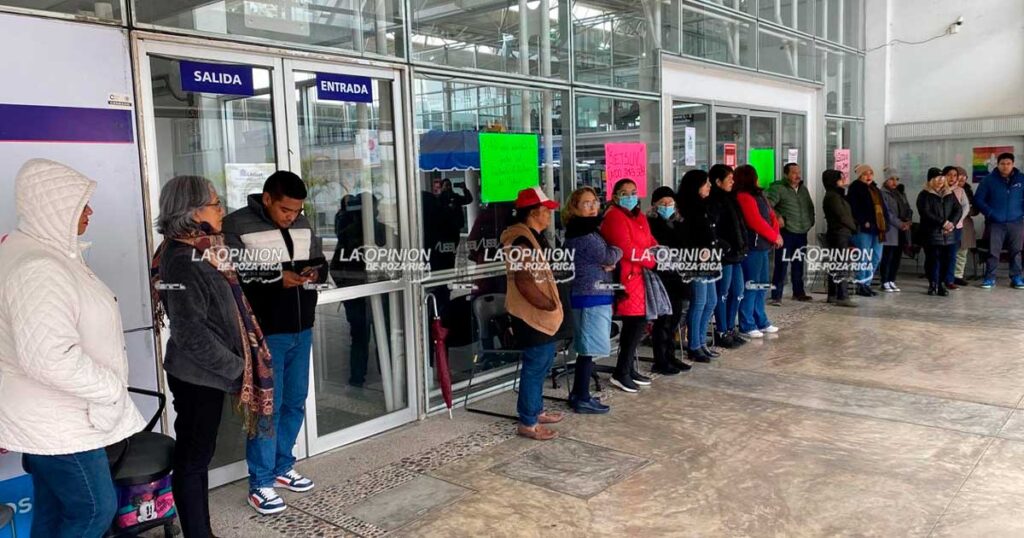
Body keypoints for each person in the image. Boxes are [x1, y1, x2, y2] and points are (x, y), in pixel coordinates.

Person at [0, 159, 145, 537]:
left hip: (49, 416)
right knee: (94, 509)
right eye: (82, 204)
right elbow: (49, 357)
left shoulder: (39, 254)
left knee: (53, 506)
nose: (91, 212)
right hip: (58, 419)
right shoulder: (39, 267)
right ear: (54, 208)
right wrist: (112, 388)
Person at [155, 175, 270, 537]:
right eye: (215, 204)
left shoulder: (205, 248)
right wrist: (239, 370)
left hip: (208, 373)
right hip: (197, 376)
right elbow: (191, 334)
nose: (222, 211)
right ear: (191, 212)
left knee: (198, 454)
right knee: (193, 459)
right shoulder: (181, 257)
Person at [222, 171, 327, 514]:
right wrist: (276, 279)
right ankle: (261, 482)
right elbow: (234, 276)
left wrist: (315, 272)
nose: (292, 217)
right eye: (286, 210)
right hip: (266, 332)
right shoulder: (236, 225)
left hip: (302, 326)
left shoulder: (302, 222)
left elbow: (319, 261)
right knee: (268, 406)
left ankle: (283, 467)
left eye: (297, 211)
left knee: (295, 401)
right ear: (267, 198)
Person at [500, 187, 568, 439]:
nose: (549, 214)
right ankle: (528, 422)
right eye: (545, 210)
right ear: (533, 212)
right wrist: (547, 304)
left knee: (542, 364)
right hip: (531, 316)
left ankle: (535, 410)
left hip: (539, 315)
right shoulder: (520, 240)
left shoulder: (532, 236)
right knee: (535, 366)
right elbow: (524, 281)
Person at [562, 187, 620, 413]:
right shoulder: (582, 234)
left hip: (594, 294)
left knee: (588, 349)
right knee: (588, 349)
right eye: (585, 203)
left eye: (594, 202)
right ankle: (582, 397)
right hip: (590, 295)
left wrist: (611, 254)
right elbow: (608, 255)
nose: (592, 207)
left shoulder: (589, 230)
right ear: (574, 207)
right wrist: (615, 251)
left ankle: (580, 393)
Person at [600, 178, 659, 393]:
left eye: (633, 192)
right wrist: (652, 260)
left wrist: (658, 250)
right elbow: (625, 247)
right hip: (626, 277)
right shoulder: (614, 216)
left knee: (638, 326)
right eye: (624, 193)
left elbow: (649, 240)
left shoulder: (639, 216)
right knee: (634, 325)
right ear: (615, 196)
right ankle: (621, 372)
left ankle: (628, 368)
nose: (630, 196)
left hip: (639, 276)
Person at [646, 186, 692, 373]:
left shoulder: (679, 222)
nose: (667, 207)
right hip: (661, 277)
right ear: (654, 205)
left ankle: (671, 356)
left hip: (677, 277)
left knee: (675, 319)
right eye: (662, 204)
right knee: (663, 321)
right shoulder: (651, 224)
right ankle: (661, 360)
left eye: (670, 203)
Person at [676, 170, 721, 362]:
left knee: (711, 301)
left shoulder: (704, 206)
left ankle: (702, 341)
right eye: (706, 183)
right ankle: (694, 345)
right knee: (700, 302)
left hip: (709, 261)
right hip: (695, 262)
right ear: (695, 186)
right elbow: (686, 238)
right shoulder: (686, 209)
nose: (709, 186)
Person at [734, 165, 782, 338]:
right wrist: (773, 236)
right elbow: (755, 221)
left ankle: (761, 320)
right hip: (752, 247)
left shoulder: (759, 195)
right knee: (751, 285)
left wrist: (776, 234)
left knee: (762, 285)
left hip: (764, 245)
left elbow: (771, 216)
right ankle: (747, 323)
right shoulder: (743, 197)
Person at [706, 164, 749, 349]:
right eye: (729, 178)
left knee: (738, 292)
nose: (732, 181)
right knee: (722, 294)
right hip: (724, 256)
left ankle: (731, 328)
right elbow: (713, 230)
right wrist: (725, 247)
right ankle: (721, 330)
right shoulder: (713, 201)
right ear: (717, 181)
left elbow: (739, 225)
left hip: (737, 255)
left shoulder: (732, 198)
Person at [766, 162, 815, 305]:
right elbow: (767, 206)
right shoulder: (778, 189)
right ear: (786, 174)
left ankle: (798, 292)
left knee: (798, 263)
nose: (797, 175)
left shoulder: (803, 189)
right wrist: (778, 216)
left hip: (801, 232)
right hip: (786, 232)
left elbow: (809, 207)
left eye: (798, 172)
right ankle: (776, 295)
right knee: (781, 264)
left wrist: (810, 221)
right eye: (794, 173)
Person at [974, 152, 1024, 289]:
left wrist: (1021, 213)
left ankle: (1016, 278)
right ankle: (989, 278)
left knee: (1016, 251)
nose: (1005, 166)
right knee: (993, 251)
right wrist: (990, 213)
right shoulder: (988, 180)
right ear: (997, 164)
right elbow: (978, 200)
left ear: (1013, 164)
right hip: (995, 223)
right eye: (1002, 164)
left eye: (1008, 164)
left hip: (1017, 222)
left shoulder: (1021, 179)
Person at [917, 168, 962, 296]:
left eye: (942, 178)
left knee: (946, 260)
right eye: (937, 179)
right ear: (930, 180)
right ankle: (933, 284)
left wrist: (951, 223)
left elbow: (957, 209)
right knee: (933, 259)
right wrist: (943, 223)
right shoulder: (924, 195)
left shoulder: (949, 193)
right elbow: (926, 213)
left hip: (948, 234)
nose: (940, 181)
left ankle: (941, 284)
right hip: (931, 233)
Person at [846, 164, 888, 296]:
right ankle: (860, 284)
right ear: (859, 176)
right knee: (863, 258)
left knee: (876, 257)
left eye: (871, 173)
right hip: (863, 229)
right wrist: (864, 221)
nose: (869, 176)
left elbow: (883, 207)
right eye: (865, 174)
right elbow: (854, 209)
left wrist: (885, 222)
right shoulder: (855, 188)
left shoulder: (875, 189)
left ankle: (867, 283)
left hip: (878, 229)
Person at [822, 169, 858, 307]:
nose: (843, 181)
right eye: (840, 178)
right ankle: (842, 295)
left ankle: (833, 294)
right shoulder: (832, 196)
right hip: (839, 233)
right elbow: (842, 216)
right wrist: (854, 227)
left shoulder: (837, 195)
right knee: (841, 265)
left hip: (840, 233)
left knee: (836, 265)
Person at [878, 170, 913, 292]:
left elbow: (907, 208)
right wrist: (900, 224)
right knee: (888, 256)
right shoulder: (882, 193)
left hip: (902, 230)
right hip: (891, 229)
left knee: (897, 256)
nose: (894, 182)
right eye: (891, 179)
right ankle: (885, 280)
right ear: (885, 180)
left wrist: (908, 220)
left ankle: (892, 279)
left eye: (896, 179)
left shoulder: (900, 193)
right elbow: (887, 213)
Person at [944, 166, 971, 290]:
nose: (953, 178)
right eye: (950, 175)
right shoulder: (940, 188)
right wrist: (945, 223)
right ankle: (938, 278)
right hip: (942, 226)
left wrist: (955, 222)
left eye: (955, 176)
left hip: (957, 227)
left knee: (952, 254)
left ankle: (950, 280)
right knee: (941, 254)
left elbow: (965, 207)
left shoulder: (960, 190)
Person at [952, 166, 977, 286]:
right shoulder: (948, 189)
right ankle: (948, 275)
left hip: (965, 225)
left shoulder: (968, 190)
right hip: (951, 224)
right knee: (951, 251)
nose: (962, 179)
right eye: (959, 176)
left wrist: (966, 211)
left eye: (964, 177)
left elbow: (975, 209)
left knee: (962, 253)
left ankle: (958, 275)